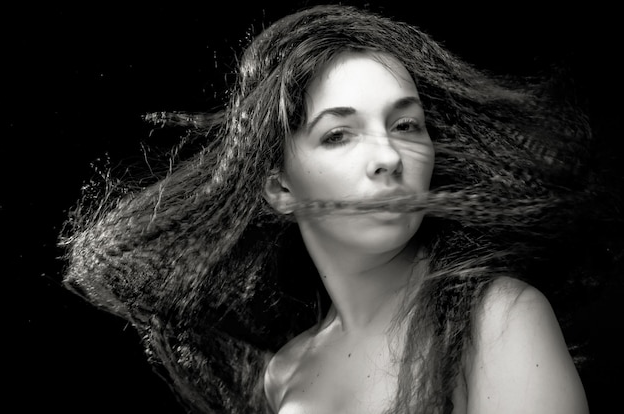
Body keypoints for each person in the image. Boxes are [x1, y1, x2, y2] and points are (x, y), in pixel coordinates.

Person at [59, 3, 611, 413]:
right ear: (278, 188)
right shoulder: (285, 377)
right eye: (339, 134)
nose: (388, 156)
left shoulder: (499, 319)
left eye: (405, 125)